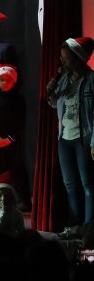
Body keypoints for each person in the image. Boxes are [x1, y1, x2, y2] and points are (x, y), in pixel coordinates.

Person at [47, 37, 94, 228]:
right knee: (70, 185)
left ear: (78, 59)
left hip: (84, 139)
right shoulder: (64, 78)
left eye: (66, 59)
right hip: (64, 138)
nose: (62, 62)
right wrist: (51, 92)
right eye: (62, 58)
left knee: (88, 184)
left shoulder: (91, 80)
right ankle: (75, 226)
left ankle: (88, 227)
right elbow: (55, 104)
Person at [0, 64, 30, 210]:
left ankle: (23, 200)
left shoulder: (18, 99)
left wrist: (9, 139)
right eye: (1, 80)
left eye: (8, 80)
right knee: (1, 170)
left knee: (17, 169)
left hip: (12, 142)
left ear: (13, 81)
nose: (4, 82)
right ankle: (2, 199)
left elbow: (20, 122)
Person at [0, 172, 25, 237]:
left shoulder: (17, 213)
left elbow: (21, 232)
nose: (3, 198)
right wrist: (4, 212)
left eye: (7, 195)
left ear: (11, 197)